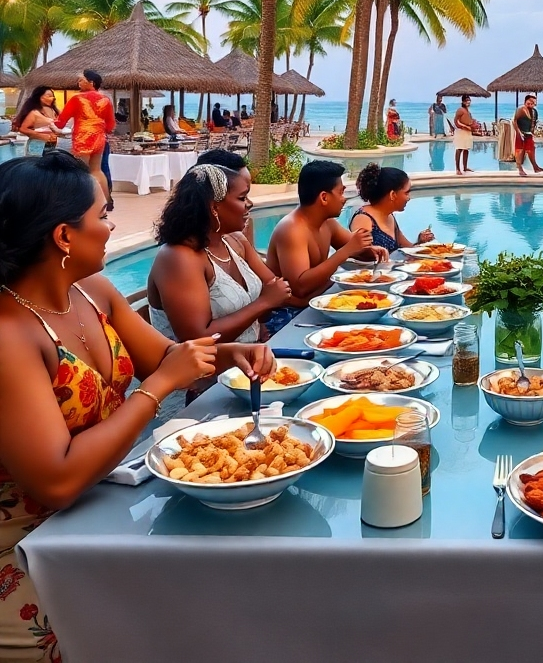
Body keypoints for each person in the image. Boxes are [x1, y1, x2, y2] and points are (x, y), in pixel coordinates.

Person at [0, 152, 275, 660]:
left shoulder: (94, 292)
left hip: (104, 508)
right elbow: (55, 483)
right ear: (64, 236)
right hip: (33, 550)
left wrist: (233, 353)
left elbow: (166, 356)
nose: (110, 226)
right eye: (103, 214)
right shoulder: (9, 335)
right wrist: (157, 390)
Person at [147, 163, 291, 396]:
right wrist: (264, 303)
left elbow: (277, 291)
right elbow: (199, 339)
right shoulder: (179, 257)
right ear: (214, 207)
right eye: (242, 198)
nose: (249, 204)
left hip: (246, 375)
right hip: (200, 390)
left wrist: (268, 302)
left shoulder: (233, 240)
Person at [266, 161, 385, 329]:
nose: (344, 199)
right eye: (341, 192)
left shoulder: (327, 223)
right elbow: (300, 287)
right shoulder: (292, 229)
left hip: (318, 303)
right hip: (288, 316)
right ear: (324, 197)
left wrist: (370, 250)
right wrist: (346, 251)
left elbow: (358, 251)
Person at [55, 70, 115, 211]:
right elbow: (111, 125)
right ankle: (106, 202)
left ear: (91, 82)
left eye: (81, 80)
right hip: (99, 137)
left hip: (83, 138)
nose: (79, 82)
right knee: (97, 170)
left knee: (81, 171)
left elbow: (61, 122)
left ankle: (82, 203)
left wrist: (50, 124)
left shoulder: (77, 99)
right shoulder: (105, 100)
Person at [350, 164, 434, 255]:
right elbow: (360, 254)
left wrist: (421, 242)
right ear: (393, 195)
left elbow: (408, 249)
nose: (409, 198)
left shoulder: (389, 217)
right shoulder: (364, 218)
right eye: (406, 193)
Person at [14, 87, 60, 155]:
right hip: (38, 145)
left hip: (53, 145)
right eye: (49, 96)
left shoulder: (55, 111)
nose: (52, 98)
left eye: (52, 96)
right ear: (40, 97)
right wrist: (42, 136)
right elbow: (23, 129)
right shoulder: (34, 113)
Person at [514, 94, 543, 177]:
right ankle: (520, 168)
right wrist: (519, 133)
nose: (531, 103)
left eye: (533, 102)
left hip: (529, 133)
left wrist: (533, 132)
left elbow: (534, 122)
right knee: (519, 150)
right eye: (530, 102)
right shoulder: (520, 110)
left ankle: (535, 167)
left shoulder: (534, 111)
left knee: (531, 149)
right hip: (520, 132)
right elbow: (514, 121)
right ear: (525, 101)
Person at [453, 95, 475, 176]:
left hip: (467, 132)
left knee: (466, 149)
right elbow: (456, 121)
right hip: (461, 132)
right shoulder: (460, 110)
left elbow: (469, 120)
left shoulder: (467, 111)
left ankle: (465, 167)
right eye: (466, 100)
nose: (468, 102)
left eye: (469, 100)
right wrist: (464, 127)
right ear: (463, 101)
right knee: (459, 149)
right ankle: (458, 169)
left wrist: (473, 125)